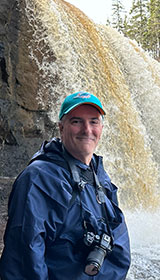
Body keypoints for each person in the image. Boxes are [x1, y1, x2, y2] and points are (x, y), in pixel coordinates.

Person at [0, 92, 131, 279]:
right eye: (76, 121)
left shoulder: (98, 174)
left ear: (101, 127)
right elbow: (24, 258)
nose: (87, 130)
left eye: (93, 121)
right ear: (61, 128)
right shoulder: (39, 178)